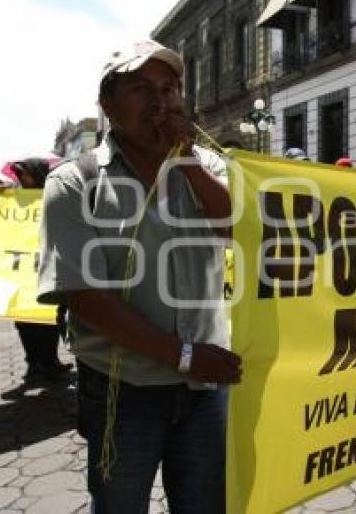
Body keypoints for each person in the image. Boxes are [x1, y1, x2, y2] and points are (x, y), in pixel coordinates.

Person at [37, 40, 241, 513]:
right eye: (140, 88)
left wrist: (186, 158)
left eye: (169, 89)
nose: (161, 101)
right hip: (121, 391)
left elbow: (238, 228)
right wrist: (184, 356)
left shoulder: (204, 166)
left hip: (205, 390)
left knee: (206, 504)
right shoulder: (74, 182)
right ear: (107, 106)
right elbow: (85, 296)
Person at [0, 158, 72, 382]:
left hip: (46, 268)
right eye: (19, 175)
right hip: (21, 271)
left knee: (48, 316)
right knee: (23, 318)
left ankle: (49, 361)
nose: (21, 178)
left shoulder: (54, 196)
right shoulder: (13, 200)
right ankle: (33, 362)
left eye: (25, 173)